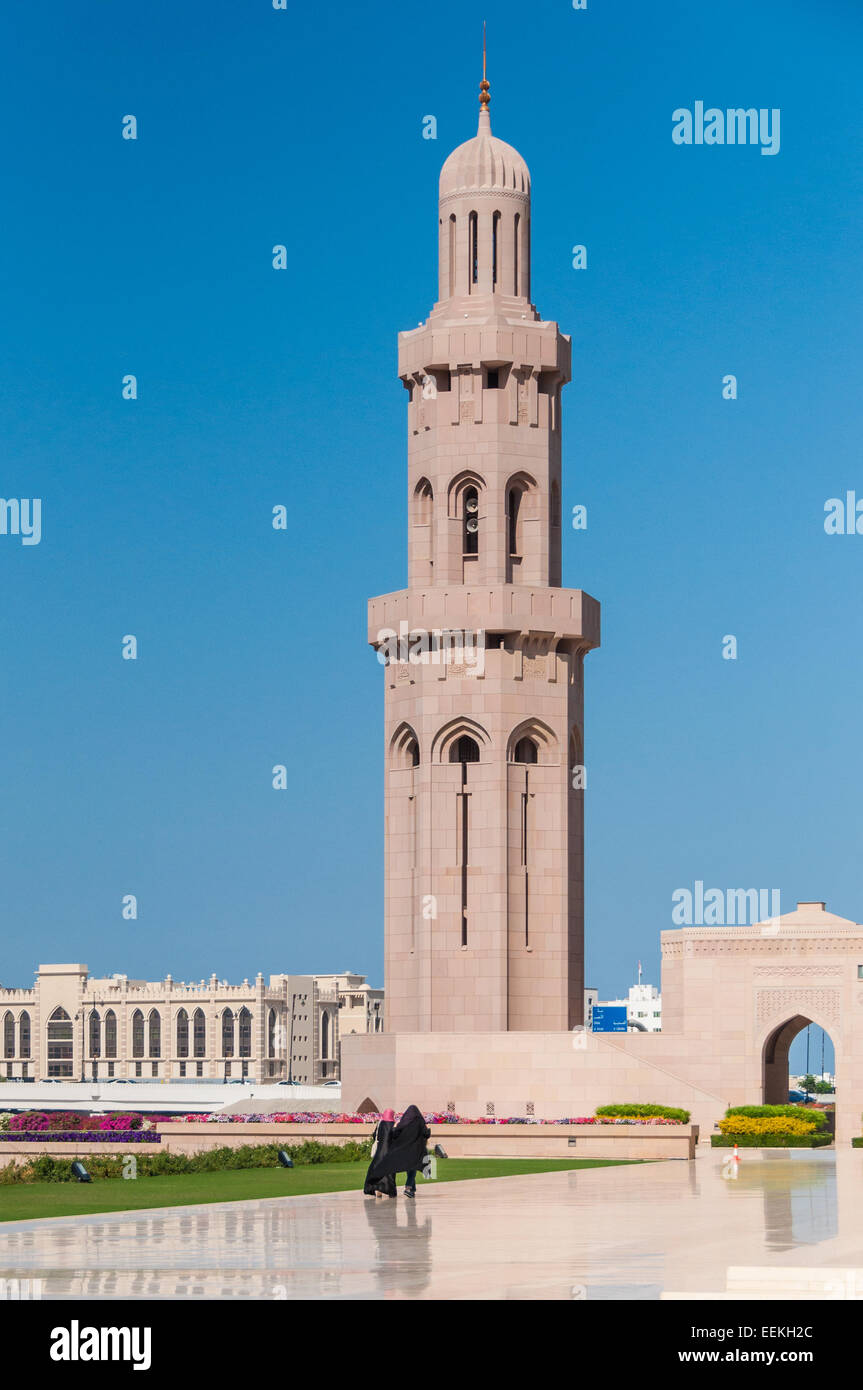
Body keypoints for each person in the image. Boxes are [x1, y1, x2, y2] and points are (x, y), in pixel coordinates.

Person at [362, 1104, 430, 1199]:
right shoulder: (419, 1121)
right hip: (415, 1151)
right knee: (412, 1169)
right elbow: (426, 1133)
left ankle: (410, 1189)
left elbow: (396, 1133)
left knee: (406, 1169)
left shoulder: (403, 1122)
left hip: (400, 1151)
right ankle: (409, 1188)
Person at [363, 1109, 397, 1198]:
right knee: (390, 1173)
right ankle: (390, 1191)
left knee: (377, 1170)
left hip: (380, 1152)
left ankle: (378, 1189)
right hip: (389, 1153)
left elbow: (375, 1135)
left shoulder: (380, 1124)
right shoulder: (393, 1125)